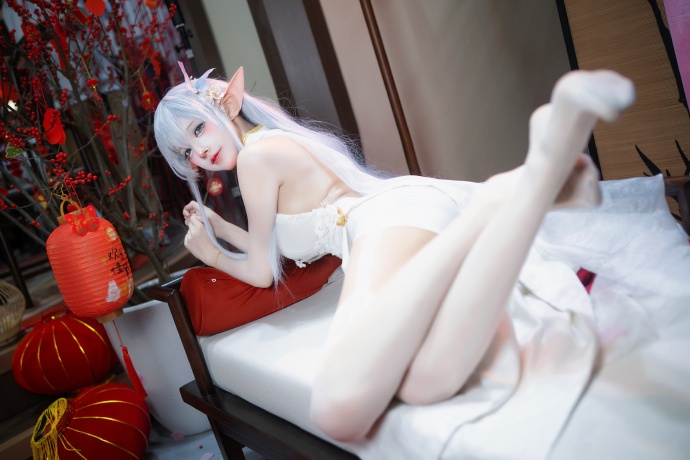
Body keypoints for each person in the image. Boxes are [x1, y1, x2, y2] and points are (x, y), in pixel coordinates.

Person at [153, 65, 639, 442]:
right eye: (186, 152)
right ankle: (524, 197)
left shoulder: (257, 159)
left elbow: (262, 273)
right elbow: (279, 247)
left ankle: (501, 200)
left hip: (386, 220)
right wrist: (223, 230)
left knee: (339, 406)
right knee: (426, 381)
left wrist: (210, 253)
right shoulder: (265, 148)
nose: (199, 153)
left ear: (227, 103)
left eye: (198, 130)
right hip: (395, 215)